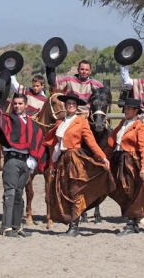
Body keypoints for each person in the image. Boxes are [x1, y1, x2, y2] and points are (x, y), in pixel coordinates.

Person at [0, 85, 45, 237]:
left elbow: (37, 140)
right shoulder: (8, 119)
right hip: (12, 160)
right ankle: (6, 226)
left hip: (26, 161)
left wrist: (33, 159)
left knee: (19, 194)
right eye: (15, 104)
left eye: (20, 104)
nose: (17, 106)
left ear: (26, 105)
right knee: (10, 193)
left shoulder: (32, 124)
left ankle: (17, 226)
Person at [44, 92, 113, 237]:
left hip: (74, 158)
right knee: (65, 191)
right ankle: (70, 223)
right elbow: (55, 145)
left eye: (73, 104)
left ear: (76, 107)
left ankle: (74, 226)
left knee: (75, 191)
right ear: (65, 105)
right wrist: (52, 163)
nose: (70, 106)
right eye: (68, 104)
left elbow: (91, 142)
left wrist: (102, 157)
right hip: (62, 159)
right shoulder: (60, 122)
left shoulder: (81, 122)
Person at [104, 98, 144, 236]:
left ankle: (131, 222)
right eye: (125, 109)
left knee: (130, 191)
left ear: (136, 111)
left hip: (130, 161)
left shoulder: (139, 126)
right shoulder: (122, 124)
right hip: (118, 159)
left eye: (128, 109)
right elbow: (112, 144)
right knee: (120, 189)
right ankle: (133, 221)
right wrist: (103, 157)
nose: (126, 111)